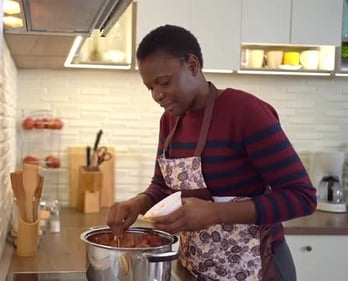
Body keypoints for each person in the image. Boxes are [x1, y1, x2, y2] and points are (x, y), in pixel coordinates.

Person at [107, 24, 316, 281]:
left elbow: (302, 197)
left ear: (192, 65)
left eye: (164, 82)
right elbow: (162, 186)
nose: (157, 95)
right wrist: (137, 203)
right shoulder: (169, 121)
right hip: (195, 268)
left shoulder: (245, 112)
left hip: (258, 270)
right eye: (150, 87)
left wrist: (214, 213)